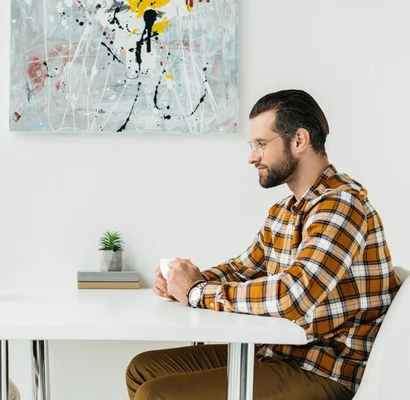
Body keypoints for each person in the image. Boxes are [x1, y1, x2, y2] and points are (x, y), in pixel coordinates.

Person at [126, 89, 401, 400]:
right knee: (142, 369)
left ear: (298, 141)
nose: (251, 156)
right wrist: (186, 279)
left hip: (324, 368)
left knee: (156, 393)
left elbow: (291, 297)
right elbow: (244, 269)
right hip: (279, 351)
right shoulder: (286, 209)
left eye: (261, 144)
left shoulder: (340, 206)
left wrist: (196, 292)